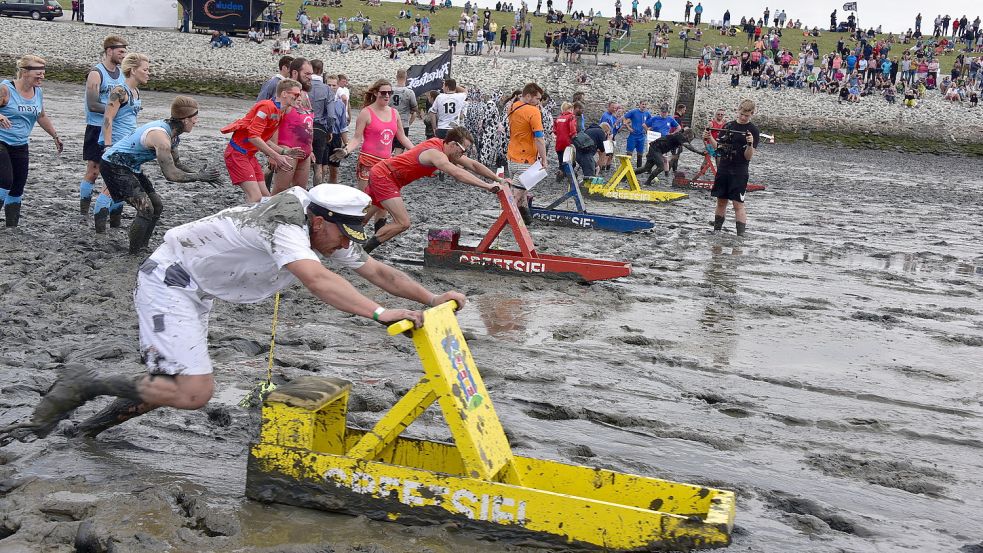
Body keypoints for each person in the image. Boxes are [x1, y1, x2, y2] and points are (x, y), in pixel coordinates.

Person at [0, 184, 467, 443]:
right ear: (321, 222)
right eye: (343, 237)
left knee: (175, 384)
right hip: (170, 279)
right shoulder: (288, 225)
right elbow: (319, 280)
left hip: (196, 289)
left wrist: (430, 300)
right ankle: (83, 383)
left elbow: (376, 269)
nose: (345, 246)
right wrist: (380, 313)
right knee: (194, 390)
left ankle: (83, 431)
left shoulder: (321, 224)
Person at [99, 97, 220, 253]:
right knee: (145, 209)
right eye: (194, 117)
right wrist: (199, 177)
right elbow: (171, 175)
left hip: (130, 166)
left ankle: (143, 247)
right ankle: (133, 253)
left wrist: (200, 174)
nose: (196, 122)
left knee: (157, 206)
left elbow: (177, 164)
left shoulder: (173, 135)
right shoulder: (161, 138)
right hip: (113, 165)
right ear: (185, 120)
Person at [360, 127, 511, 252]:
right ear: (453, 144)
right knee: (403, 223)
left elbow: (473, 165)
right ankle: (363, 252)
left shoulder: (443, 147)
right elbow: (457, 173)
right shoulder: (436, 154)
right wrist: (487, 186)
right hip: (386, 177)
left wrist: (498, 179)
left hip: (387, 174)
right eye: (463, 150)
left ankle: (346, 242)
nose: (463, 155)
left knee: (362, 219)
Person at [0, 55, 63, 228]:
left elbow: (41, 116)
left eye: (44, 73)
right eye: (39, 73)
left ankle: (11, 227)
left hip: (20, 144)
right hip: (1, 141)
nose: (42, 76)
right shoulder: (6, 89)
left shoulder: (38, 92)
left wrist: (55, 135)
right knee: (5, 181)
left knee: (18, 186)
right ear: (24, 72)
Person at [92, 53, 150, 233]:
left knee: (121, 187)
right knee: (110, 186)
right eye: (145, 69)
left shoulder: (136, 91)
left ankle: (115, 224)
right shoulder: (119, 91)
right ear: (133, 70)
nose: (149, 73)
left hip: (129, 144)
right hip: (116, 144)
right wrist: (108, 146)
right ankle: (100, 229)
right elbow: (108, 118)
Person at [221, 80, 303, 203]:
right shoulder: (266, 107)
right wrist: (276, 156)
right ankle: (245, 221)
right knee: (255, 198)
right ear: (284, 93)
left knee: (266, 198)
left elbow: (264, 139)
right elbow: (253, 137)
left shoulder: (279, 112)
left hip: (248, 156)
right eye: (296, 94)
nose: (299, 98)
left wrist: (285, 151)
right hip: (237, 154)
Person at [331, 79, 414, 195]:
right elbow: (357, 138)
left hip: (386, 162)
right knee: (366, 199)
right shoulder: (366, 113)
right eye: (383, 93)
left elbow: (402, 137)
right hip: (368, 161)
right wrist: (346, 150)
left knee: (383, 203)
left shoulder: (395, 113)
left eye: (389, 93)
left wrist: (417, 151)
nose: (387, 96)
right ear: (375, 93)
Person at [80, 36, 127, 219]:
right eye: (120, 51)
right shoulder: (96, 73)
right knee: (93, 171)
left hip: (116, 129)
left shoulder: (122, 74)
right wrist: (117, 110)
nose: (123, 55)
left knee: (114, 173)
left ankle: (109, 211)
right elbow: (92, 104)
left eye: (125, 51)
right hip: (95, 127)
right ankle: (84, 211)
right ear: (109, 50)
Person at [703, 99, 759, 236]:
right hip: (724, 168)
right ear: (738, 111)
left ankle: (740, 235)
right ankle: (716, 231)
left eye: (747, 115)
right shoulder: (728, 126)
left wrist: (750, 144)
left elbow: (748, 156)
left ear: (752, 114)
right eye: (742, 114)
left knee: (737, 204)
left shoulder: (753, 130)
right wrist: (709, 138)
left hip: (740, 170)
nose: (743, 117)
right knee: (721, 201)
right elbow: (719, 149)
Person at [271, 58, 316, 195]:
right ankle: (269, 215)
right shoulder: (286, 94)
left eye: (311, 74)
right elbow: (273, 124)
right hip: (288, 149)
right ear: (295, 73)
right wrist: (273, 154)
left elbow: (308, 123)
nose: (310, 77)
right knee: (280, 190)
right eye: (307, 74)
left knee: (300, 192)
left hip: (305, 152)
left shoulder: (306, 95)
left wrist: (311, 149)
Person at [505, 82, 547, 224]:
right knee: (515, 196)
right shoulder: (533, 111)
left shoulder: (511, 106)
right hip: (526, 160)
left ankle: (527, 221)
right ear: (528, 96)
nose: (538, 102)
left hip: (511, 157)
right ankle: (506, 224)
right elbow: (539, 138)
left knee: (522, 195)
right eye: (537, 99)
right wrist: (544, 159)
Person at [636, 128, 701, 185]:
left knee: (646, 168)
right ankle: (648, 182)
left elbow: (678, 150)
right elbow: (688, 146)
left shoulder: (679, 138)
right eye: (691, 138)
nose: (690, 141)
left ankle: (627, 175)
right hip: (656, 148)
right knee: (661, 167)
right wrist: (700, 152)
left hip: (656, 148)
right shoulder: (680, 136)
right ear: (687, 135)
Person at [309, 59, 336, 185]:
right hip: (319, 128)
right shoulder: (327, 89)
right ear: (321, 71)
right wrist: (330, 130)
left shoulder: (302, 86)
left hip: (303, 126)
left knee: (299, 164)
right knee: (318, 167)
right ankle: (316, 196)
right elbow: (331, 115)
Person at [389, 69, 419, 154]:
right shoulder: (409, 92)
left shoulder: (390, 91)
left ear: (396, 77)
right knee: (399, 149)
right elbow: (415, 107)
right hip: (403, 123)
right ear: (406, 77)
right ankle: (395, 166)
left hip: (390, 122)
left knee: (388, 147)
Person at [621, 100, 651, 168]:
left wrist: (648, 129)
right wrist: (628, 127)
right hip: (633, 136)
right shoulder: (634, 112)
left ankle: (638, 169)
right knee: (629, 153)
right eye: (643, 104)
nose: (644, 106)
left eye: (645, 104)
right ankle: (626, 168)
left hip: (642, 136)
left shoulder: (647, 113)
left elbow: (650, 122)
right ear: (639, 105)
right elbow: (624, 118)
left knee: (640, 154)